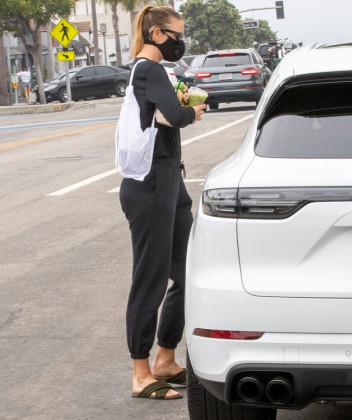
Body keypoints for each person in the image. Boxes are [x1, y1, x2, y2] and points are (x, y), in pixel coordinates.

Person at [119, 5, 206, 400]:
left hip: (170, 179)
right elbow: (175, 114)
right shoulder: (149, 69)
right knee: (150, 277)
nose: (179, 42)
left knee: (190, 271)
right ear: (156, 34)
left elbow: (161, 116)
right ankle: (141, 372)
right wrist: (192, 110)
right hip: (151, 183)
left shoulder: (157, 73)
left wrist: (178, 107)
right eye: (175, 35)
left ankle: (165, 358)